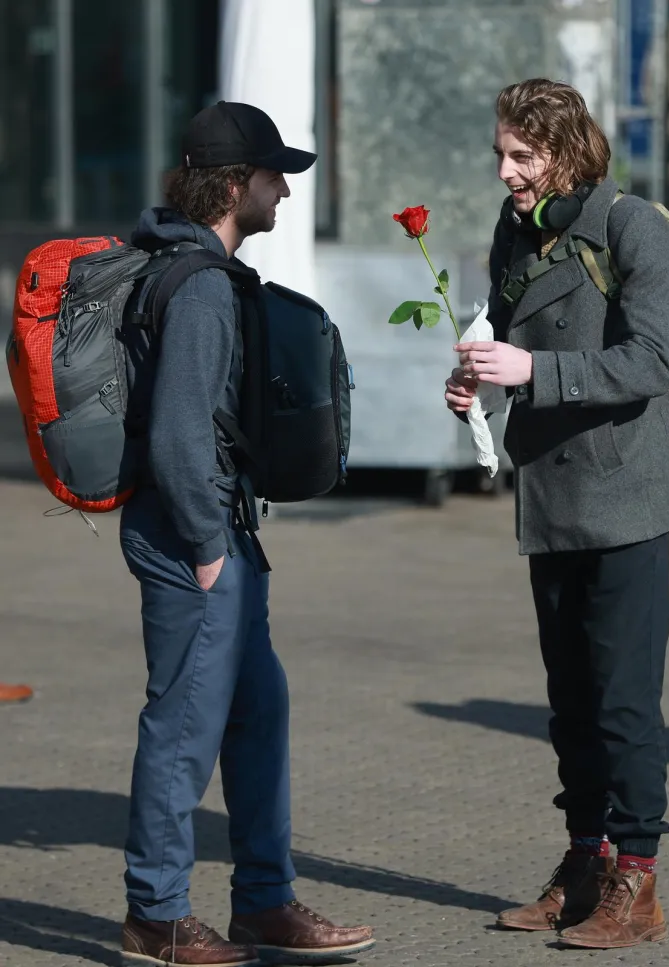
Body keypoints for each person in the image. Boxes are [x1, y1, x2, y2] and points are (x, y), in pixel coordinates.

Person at [119, 102, 374, 967]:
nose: (284, 193)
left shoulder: (198, 270)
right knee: (184, 723)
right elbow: (180, 434)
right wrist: (207, 549)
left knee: (258, 710)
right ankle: (157, 911)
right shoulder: (197, 287)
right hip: (195, 538)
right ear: (234, 186)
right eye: (275, 178)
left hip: (222, 532)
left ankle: (264, 900)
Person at [445, 79, 669, 950]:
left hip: (623, 498)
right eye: (501, 153)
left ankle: (639, 884)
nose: (504, 170)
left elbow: (650, 361)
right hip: (549, 494)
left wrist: (534, 373)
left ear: (564, 150)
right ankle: (584, 863)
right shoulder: (521, 231)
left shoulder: (632, 227)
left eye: (520, 155)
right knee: (571, 703)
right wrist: (471, 378)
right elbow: (503, 331)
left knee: (624, 705)